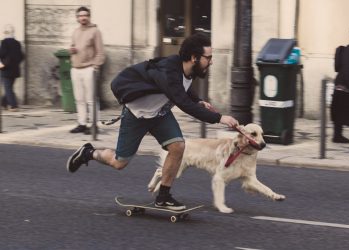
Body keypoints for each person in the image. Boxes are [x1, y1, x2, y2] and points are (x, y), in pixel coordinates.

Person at [66, 33, 239, 210]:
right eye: (208, 58)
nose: (211, 62)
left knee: (178, 146)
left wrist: (198, 100)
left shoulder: (190, 69)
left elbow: (184, 89)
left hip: (160, 115)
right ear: (194, 58)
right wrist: (220, 118)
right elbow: (182, 101)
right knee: (119, 163)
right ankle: (89, 153)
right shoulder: (168, 73)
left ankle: (164, 196)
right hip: (137, 116)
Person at [69, 6, 105, 134]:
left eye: (85, 15)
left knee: (91, 99)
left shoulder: (95, 31)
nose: (83, 17)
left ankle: (94, 125)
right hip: (75, 68)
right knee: (79, 99)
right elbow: (73, 47)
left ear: (89, 17)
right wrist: (72, 50)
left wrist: (96, 67)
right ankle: (82, 123)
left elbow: (100, 52)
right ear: (77, 18)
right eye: (80, 16)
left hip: (89, 68)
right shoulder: (75, 32)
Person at [0, 24, 24, 111]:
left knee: (8, 88)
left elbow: (1, 54)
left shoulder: (4, 42)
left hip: (5, 69)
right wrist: (15, 63)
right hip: (15, 70)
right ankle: (3, 103)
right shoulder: (17, 43)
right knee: (9, 87)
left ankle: (13, 105)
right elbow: (21, 56)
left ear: (6, 33)